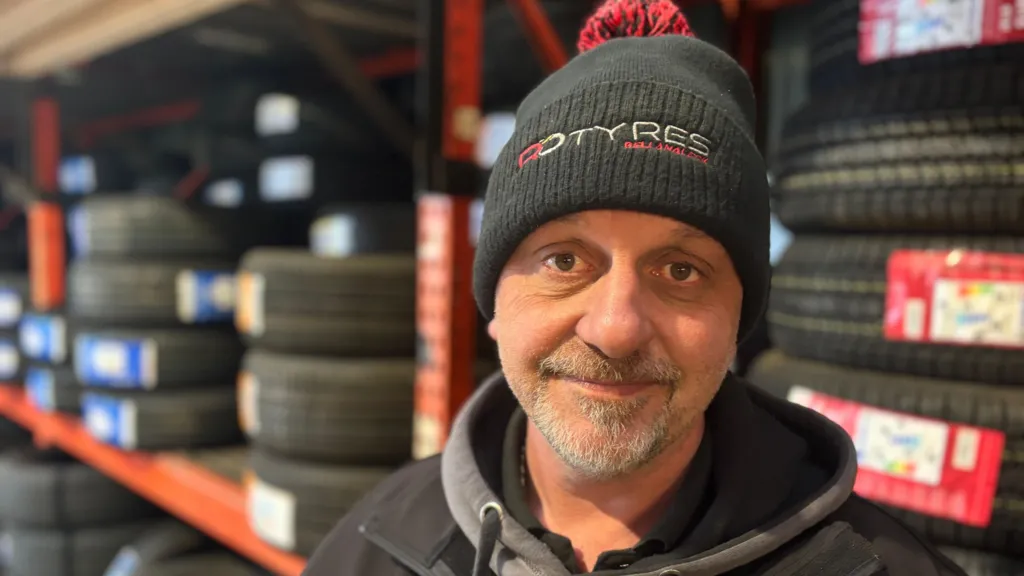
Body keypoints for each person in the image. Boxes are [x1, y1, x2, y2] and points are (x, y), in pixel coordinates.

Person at [302, 1, 968, 574]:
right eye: (564, 261)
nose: (616, 328)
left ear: (738, 318)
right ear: (494, 303)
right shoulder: (373, 548)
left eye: (681, 270)